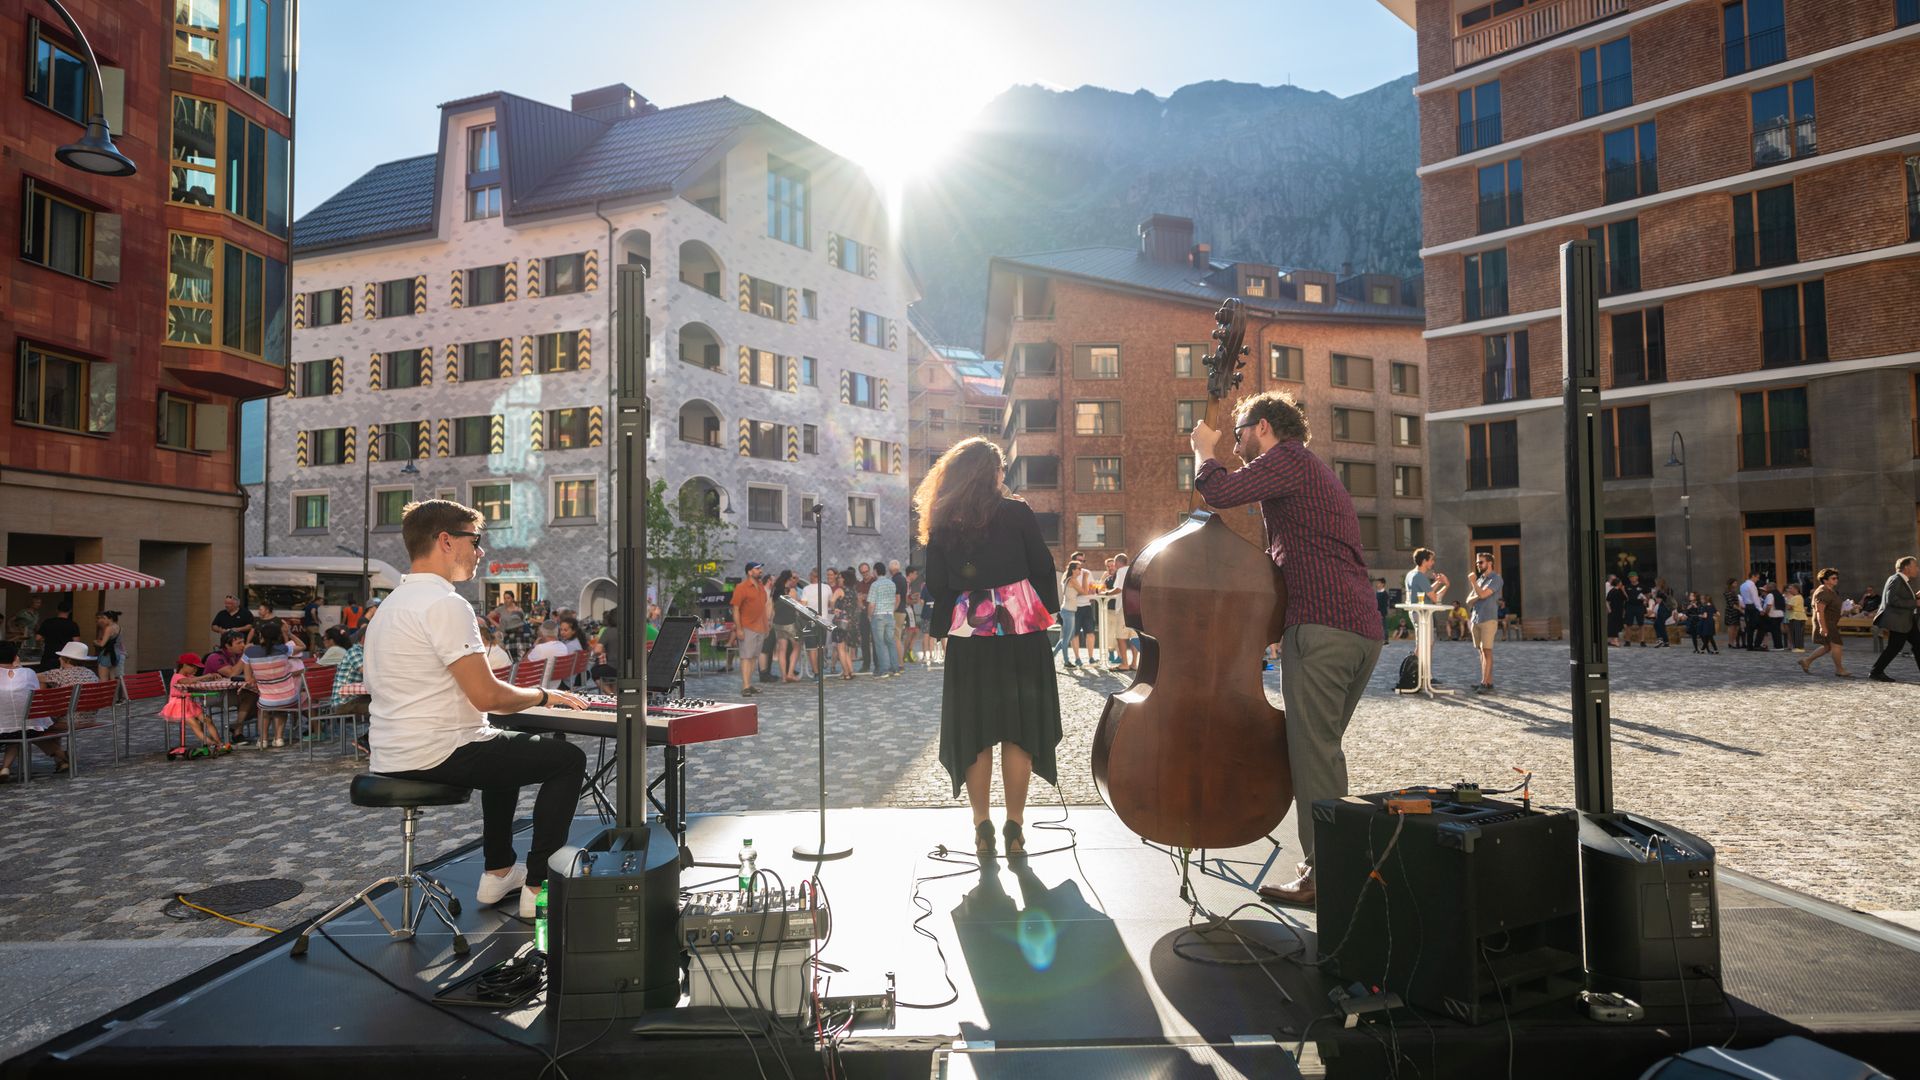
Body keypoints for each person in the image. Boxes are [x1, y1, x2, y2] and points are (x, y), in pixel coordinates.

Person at [1190, 391, 1383, 908]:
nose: (1236, 442)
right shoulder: (1307, 469)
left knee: (1314, 758)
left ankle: (1326, 877)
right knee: (1322, 753)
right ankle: (1339, 864)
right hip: (1359, 628)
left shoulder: (1287, 459)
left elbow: (1220, 491)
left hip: (1322, 628)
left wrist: (1202, 450)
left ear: (1265, 427)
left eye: (1240, 433)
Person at [364, 499, 588, 918]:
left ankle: (499, 871)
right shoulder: (445, 604)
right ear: (446, 541)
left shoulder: (390, 606)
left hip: (391, 753)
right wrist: (545, 696)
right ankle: (539, 888)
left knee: (504, 746)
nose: (481, 551)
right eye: (476, 540)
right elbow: (488, 697)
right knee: (567, 759)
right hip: (438, 752)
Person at [919, 438, 1061, 859]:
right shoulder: (1017, 512)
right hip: (1022, 635)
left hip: (971, 639)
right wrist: (1042, 608)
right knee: (1019, 731)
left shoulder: (944, 520)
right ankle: (1014, 827)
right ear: (993, 473)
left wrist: (951, 617)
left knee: (975, 732)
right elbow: (1042, 566)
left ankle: (982, 827)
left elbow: (938, 584)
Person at [0, 639, 62, 781]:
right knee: (19, 731)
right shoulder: (28, 673)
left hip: (4, 729)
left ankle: (5, 768)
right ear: (16, 657)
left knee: (15, 731)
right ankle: (5, 767)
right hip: (29, 727)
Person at [241, 619, 303, 748]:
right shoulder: (284, 649)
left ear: (260, 636)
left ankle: (263, 739)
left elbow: (248, 679)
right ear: (278, 636)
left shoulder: (249, 652)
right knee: (281, 707)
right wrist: (290, 633)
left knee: (263, 709)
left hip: (267, 699)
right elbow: (303, 646)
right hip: (289, 697)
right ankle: (278, 738)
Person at [161, 653, 228, 758]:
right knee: (195, 724)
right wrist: (206, 675)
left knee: (207, 720)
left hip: (189, 703)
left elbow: (197, 679)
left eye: (197, 668)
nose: (195, 670)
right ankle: (212, 744)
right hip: (179, 705)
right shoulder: (177, 676)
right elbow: (187, 681)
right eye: (193, 667)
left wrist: (212, 677)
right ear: (184, 665)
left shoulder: (189, 676)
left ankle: (219, 743)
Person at [1869, 556, 1920, 683]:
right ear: (1907, 567)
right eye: (1915, 566)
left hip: (1906, 621)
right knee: (1894, 647)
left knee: (1916, 645)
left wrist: (1916, 596)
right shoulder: (1896, 579)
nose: (1917, 569)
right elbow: (1892, 600)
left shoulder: (1902, 580)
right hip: (1899, 621)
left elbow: (1900, 598)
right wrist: (1916, 602)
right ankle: (1876, 672)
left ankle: (1876, 671)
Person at [1802, 569, 1852, 677]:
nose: (1836, 580)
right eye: (1833, 578)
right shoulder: (1823, 592)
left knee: (1827, 647)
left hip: (1830, 622)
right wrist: (1823, 627)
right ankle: (1839, 669)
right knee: (1837, 645)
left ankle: (1807, 661)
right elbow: (1820, 611)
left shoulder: (1830, 590)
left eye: (1837, 578)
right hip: (1826, 622)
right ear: (1825, 580)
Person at [731, 563, 771, 696]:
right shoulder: (741, 587)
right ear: (749, 572)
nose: (761, 571)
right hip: (747, 626)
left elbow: (763, 607)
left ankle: (749, 684)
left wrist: (767, 625)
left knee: (754, 657)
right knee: (746, 657)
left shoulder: (760, 587)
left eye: (760, 569)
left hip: (760, 627)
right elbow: (735, 608)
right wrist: (739, 629)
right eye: (757, 569)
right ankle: (745, 686)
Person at [1467, 551, 1502, 692]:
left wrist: (1474, 583)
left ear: (1489, 563)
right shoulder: (1480, 579)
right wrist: (1478, 590)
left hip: (1488, 619)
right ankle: (1488, 682)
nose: (1478, 565)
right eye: (1477, 562)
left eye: (1481, 562)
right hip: (1476, 618)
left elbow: (1482, 594)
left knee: (1487, 651)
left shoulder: (1496, 579)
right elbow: (1468, 600)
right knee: (1481, 652)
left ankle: (1484, 683)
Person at [1404, 548, 1448, 646]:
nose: (1433, 562)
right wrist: (1446, 585)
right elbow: (1435, 599)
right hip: (1423, 614)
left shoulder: (1411, 574)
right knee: (1427, 644)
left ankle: (1417, 661)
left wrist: (1438, 582)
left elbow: (1426, 590)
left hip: (1415, 612)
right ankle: (1421, 662)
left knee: (1421, 643)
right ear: (1424, 561)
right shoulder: (1420, 576)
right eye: (1431, 560)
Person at [867, 560, 901, 677]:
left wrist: (869, 616)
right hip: (889, 615)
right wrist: (892, 610)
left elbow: (871, 604)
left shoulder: (875, 585)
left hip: (878, 615)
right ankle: (895, 668)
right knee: (891, 642)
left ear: (876, 571)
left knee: (880, 644)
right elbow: (897, 599)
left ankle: (884, 670)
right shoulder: (891, 583)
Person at [769, 570, 801, 683]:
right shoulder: (791, 591)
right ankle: (790, 673)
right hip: (790, 622)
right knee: (797, 647)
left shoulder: (775, 591)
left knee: (782, 649)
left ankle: (783, 677)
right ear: (788, 579)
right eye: (792, 578)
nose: (794, 580)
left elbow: (772, 607)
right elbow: (797, 607)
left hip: (778, 622)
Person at [1054, 558, 1086, 668]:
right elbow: (1083, 592)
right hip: (1068, 612)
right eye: (1079, 568)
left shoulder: (1068, 579)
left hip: (1067, 611)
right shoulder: (1072, 580)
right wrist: (1085, 578)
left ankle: (1052, 656)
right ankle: (1066, 662)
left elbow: (1076, 594)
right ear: (1073, 570)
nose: (1080, 571)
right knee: (1067, 638)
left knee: (1067, 637)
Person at [32, 600, 80, 674]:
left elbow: (37, 638)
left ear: (57, 610)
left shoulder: (48, 622)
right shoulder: (73, 624)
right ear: (70, 611)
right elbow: (76, 642)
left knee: (45, 678)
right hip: (65, 657)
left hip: (49, 655)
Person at [831, 567, 860, 680]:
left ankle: (846, 673)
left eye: (840, 577)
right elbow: (857, 605)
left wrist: (835, 609)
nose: (838, 579)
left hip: (841, 622)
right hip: (852, 622)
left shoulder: (839, 590)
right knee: (846, 648)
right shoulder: (853, 591)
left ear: (844, 579)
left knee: (840, 649)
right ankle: (851, 671)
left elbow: (832, 602)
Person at [1739, 571, 1766, 651]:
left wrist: (1744, 606)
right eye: (1757, 577)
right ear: (1753, 576)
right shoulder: (1752, 585)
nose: (1757, 579)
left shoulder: (1742, 585)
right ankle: (1757, 644)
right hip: (1754, 607)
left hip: (1747, 607)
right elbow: (1755, 598)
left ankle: (1749, 645)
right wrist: (1760, 609)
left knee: (1749, 628)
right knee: (1762, 626)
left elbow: (1743, 598)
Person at [1785, 584, 1808, 653]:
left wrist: (1787, 601)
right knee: (1795, 632)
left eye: (1790, 588)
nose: (1789, 590)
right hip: (1797, 616)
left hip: (1797, 617)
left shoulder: (1796, 597)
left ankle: (1799, 647)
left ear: (1796, 589)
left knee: (1796, 632)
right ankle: (1798, 647)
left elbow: (1789, 607)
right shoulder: (1798, 597)